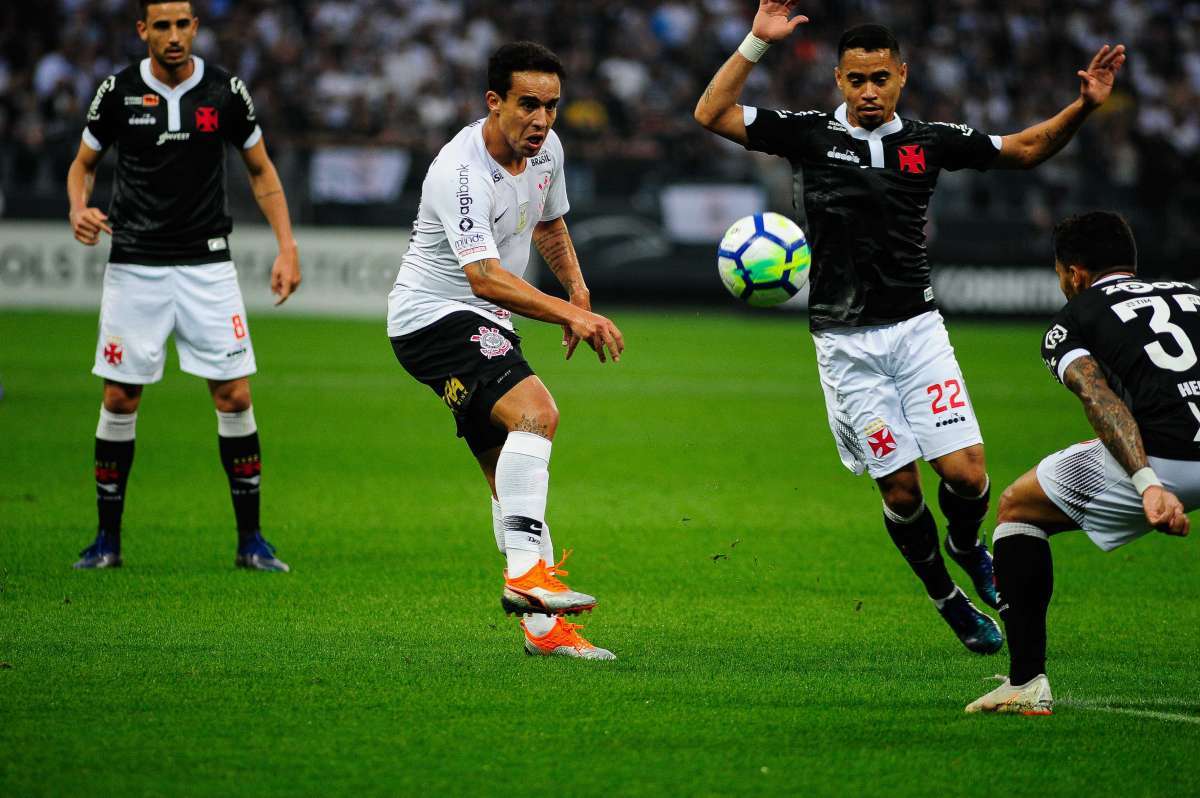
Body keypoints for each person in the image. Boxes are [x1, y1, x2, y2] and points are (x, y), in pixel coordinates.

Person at [694, 1, 1126, 653]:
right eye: (855, 80)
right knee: (900, 485)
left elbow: (1026, 149)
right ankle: (946, 597)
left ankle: (964, 545)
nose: (869, 91)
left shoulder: (930, 141)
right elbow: (711, 114)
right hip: (845, 344)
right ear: (839, 81)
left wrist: (1085, 106)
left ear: (902, 75)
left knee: (969, 475)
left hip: (918, 332)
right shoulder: (808, 135)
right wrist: (756, 40)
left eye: (880, 78)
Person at [386, 42, 625, 659]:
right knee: (536, 413)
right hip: (434, 316)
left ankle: (545, 633)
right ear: (494, 102)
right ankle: (525, 576)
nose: (541, 120)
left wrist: (576, 285)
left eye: (551, 106)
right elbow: (484, 277)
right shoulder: (458, 172)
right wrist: (574, 314)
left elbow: (548, 222)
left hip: (480, 320)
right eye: (527, 105)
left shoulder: (545, 151)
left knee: (509, 479)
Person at [67, 0, 301, 571]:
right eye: (162, 26)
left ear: (195, 27)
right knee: (120, 398)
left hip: (207, 266)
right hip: (134, 265)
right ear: (143, 29)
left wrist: (287, 247)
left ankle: (251, 542)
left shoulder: (225, 91)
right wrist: (77, 207)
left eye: (183, 25)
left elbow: (261, 169)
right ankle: (106, 542)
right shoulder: (117, 92)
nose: (174, 36)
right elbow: (83, 164)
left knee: (236, 396)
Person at [966, 212, 1197, 714]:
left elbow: (1098, 397)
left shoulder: (1074, 319)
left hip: (1169, 459)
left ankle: (1026, 682)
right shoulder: (1190, 293)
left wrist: (1148, 483)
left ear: (1073, 273)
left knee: (1017, 509)